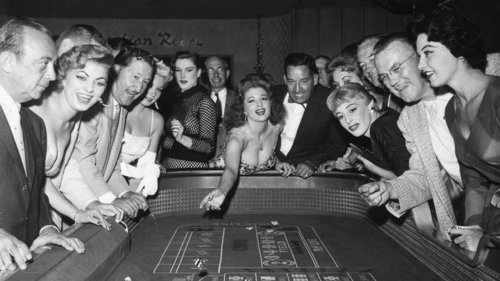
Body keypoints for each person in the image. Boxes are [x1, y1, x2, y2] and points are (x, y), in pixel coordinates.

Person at [357, 32, 463, 240]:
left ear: (421, 59)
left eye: (397, 68)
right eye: (385, 77)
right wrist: (389, 189)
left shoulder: (464, 91)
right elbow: (424, 176)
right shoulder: (409, 117)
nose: (393, 81)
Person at [412, 6, 500, 252]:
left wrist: (489, 241)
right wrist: (474, 227)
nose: (421, 64)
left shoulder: (497, 96)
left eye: (428, 52)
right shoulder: (452, 108)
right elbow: (473, 178)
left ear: (458, 49)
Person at [0, 17, 84, 272]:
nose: (52, 75)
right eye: (44, 64)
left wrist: (47, 228)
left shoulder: (34, 123)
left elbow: (34, 190)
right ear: (6, 62)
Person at [29, 44, 122, 230]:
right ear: (63, 75)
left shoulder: (76, 116)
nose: (90, 89)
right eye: (82, 77)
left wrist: (87, 207)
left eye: (99, 82)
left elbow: (56, 175)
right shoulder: (34, 110)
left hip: (47, 218)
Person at [70, 45, 154, 218]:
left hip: (95, 199)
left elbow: (112, 165)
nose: (139, 88)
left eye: (145, 82)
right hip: (76, 203)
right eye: (135, 77)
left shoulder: (122, 106)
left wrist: (125, 193)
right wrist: (112, 200)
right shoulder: (94, 104)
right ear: (115, 70)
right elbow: (83, 162)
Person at [200, 76, 286, 210]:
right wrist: (222, 191)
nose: (259, 105)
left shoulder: (277, 127)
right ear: (243, 108)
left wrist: (277, 162)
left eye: (263, 98)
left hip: (250, 191)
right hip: (215, 185)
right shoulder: (237, 138)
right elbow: (231, 170)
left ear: (270, 102)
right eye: (251, 100)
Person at [273, 53, 348, 179]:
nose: (297, 89)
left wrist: (312, 162)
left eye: (303, 81)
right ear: (285, 79)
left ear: (315, 79)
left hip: (308, 178)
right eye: (291, 81)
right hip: (270, 173)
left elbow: (337, 145)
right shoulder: (271, 95)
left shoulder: (329, 100)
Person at [320, 83, 410, 179]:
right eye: (340, 116)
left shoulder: (382, 127)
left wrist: (374, 168)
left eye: (352, 110)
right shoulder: (382, 122)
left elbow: (409, 180)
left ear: (369, 105)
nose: (347, 120)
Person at [120, 58, 171, 196]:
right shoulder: (117, 109)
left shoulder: (157, 120)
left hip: (127, 183)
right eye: (149, 86)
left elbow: (147, 163)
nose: (153, 94)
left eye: (159, 89)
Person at [161, 50, 217, 169]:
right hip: (168, 170)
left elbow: (208, 148)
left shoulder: (204, 102)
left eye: (189, 70)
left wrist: (182, 139)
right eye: (178, 70)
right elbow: (172, 144)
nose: (182, 75)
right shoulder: (175, 100)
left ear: (198, 73)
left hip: (192, 173)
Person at [204, 55, 237, 158]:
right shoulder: (198, 100)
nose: (216, 74)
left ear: (227, 74)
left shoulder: (240, 99)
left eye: (220, 69)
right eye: (210, 70)